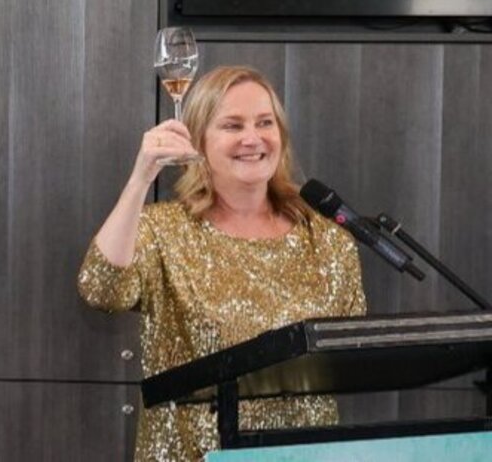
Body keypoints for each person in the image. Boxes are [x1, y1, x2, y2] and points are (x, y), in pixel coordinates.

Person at [77, 65, 366, 461]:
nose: (252, 138)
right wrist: (140, 179)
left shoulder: (326, 236)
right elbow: (102, 288)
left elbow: (349, 352)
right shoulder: (163, 231)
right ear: (197, 141)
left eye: (265, 122)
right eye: (232, 126)